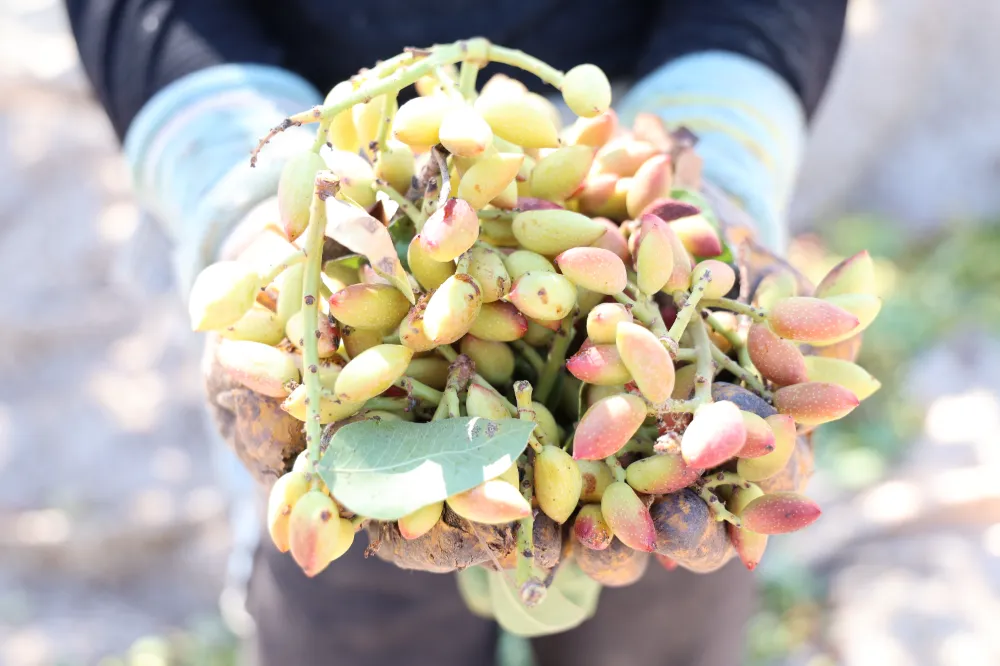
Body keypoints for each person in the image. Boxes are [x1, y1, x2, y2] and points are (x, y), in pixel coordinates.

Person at [64, 1, 849, 664]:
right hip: (335, 198)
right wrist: (246, 201)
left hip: (635, 156)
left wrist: (721, 153)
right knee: (348, 599)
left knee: (670, 597)